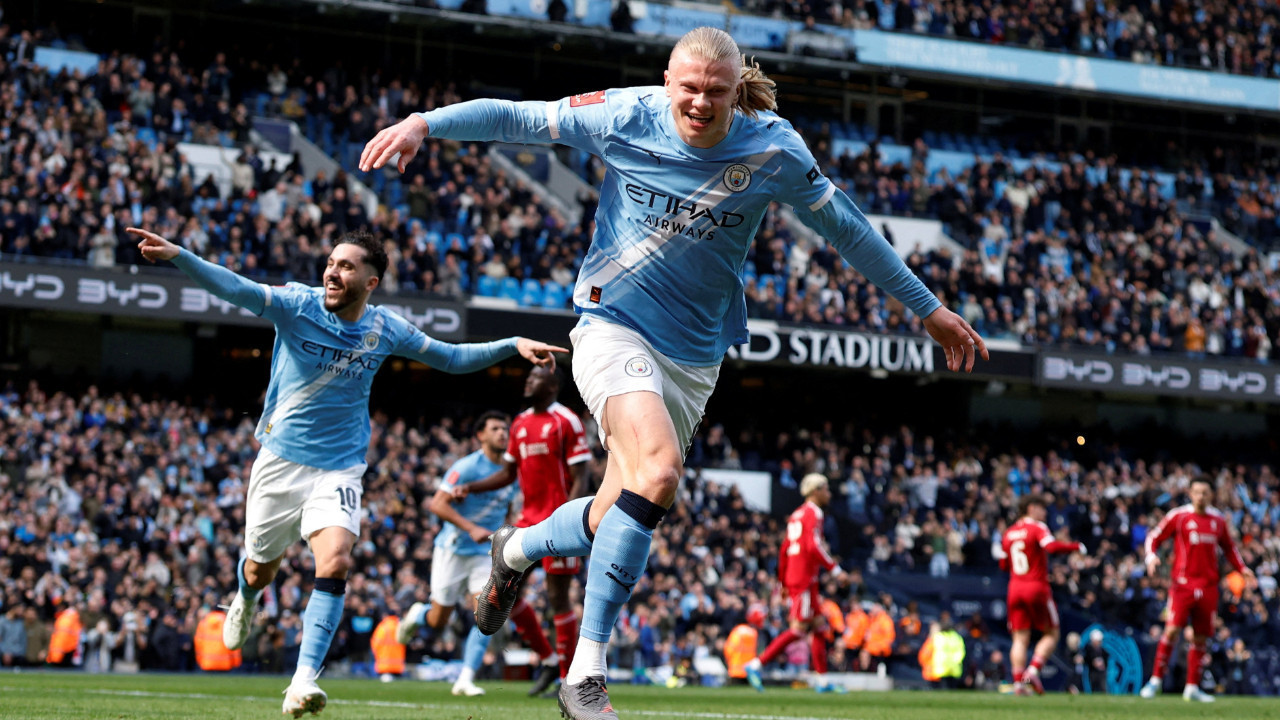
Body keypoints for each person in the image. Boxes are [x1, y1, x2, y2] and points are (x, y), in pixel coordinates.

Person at [358, 26, 986, 720]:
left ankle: (520, 546)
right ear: (666, 80)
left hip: (694, 355)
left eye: (715, 92)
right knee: (658, 471)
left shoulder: (772, 146)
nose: (699, 102)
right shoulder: (623, 114)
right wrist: (424, 123)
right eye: (688, 88)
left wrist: (924, 307)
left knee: (614, 509)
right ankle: (585, 675)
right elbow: (522, 116)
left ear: (733, 91)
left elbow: (846, 226)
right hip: (610, 324)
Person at [126, 226, 564, 717]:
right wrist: (180, 255)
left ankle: (301, 683)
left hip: (339, 469)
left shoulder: (386, 329)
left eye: (346, 266)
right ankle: (247, 596)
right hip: (279, 464)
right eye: (331, 263)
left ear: (371, 282)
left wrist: (511, 343)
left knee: (334, 561)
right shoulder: (297, 305)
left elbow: (449, 357)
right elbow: (236, 287)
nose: (332, 272)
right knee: (260, 567)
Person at [450, 366, 593, 696]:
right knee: (505, 595)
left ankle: (565, 677)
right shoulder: (520, 424)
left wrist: (569, 522)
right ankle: (547, 659)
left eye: (534, 378)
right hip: (527, 522)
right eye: (527, 377)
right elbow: (508, 474)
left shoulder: (565, 421)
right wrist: (470, 487)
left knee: (558, 598)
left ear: (552, 385)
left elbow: (581, 477)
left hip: (558, 523)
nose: (527, 381)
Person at [397, 411, 518, 697]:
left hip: (483, 554)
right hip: (452, 549)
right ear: (481, 435)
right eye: (496, 429)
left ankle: (465, 678)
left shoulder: (513, 472)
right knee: (439, 620)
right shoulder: (466, 467)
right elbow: (437, 504)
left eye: (505, 429)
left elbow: (507, 508)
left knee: (485, 613)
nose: (503, 433)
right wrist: (471, 527)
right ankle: (419, 614)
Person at [1140, 475, 1254, 703]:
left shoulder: (1218, 520)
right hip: (1183, 585)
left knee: (1201, 638)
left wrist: (1242, 568)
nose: (1201, 496)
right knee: (1172, 630)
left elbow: (1229, 548)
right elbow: (1154, 536)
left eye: (1205, 492)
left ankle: (1192, 687)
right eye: (1197, 492)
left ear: (1211, 495)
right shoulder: (1179, 516)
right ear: (1190, 493)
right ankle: (1155, 681)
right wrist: (1151, 558)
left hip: (1209, 587)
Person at [743, 473, 846, 693]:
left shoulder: (797, 514)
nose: (829, 493)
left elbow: (784, 550)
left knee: (819, 628)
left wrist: (782, 582)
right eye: (826, 489)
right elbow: (813, 546)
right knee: (799, 630)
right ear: (815, 491)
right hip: (804, 578)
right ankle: (756, 665)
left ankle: (822, 680)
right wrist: (835, 570)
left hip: (797, 576)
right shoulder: (814, 513)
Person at [996, 493, 1085, 695]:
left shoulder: (1008, 533)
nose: (1045, 513)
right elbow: (1051, 547)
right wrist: (1076, 546)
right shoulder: (1037, 528)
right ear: (1031, 508)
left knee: (1019, 638)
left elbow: (1003, 565)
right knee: (1052, 633)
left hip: (1015, 588)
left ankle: (1018, 684)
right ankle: (1033, 671)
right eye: (1042, 508)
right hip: (1036, 587)